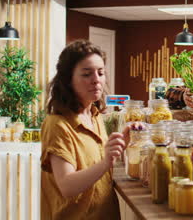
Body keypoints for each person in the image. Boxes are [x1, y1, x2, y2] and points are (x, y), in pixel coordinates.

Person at [40, 40, 128, 220]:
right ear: (68, 80)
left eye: (101, 72)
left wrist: (121, 147)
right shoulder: (57, 124)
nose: (96, 79)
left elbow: (96, 167)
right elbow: (67, 186)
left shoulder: (95, 116)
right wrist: (106, 161)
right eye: (87, 74)